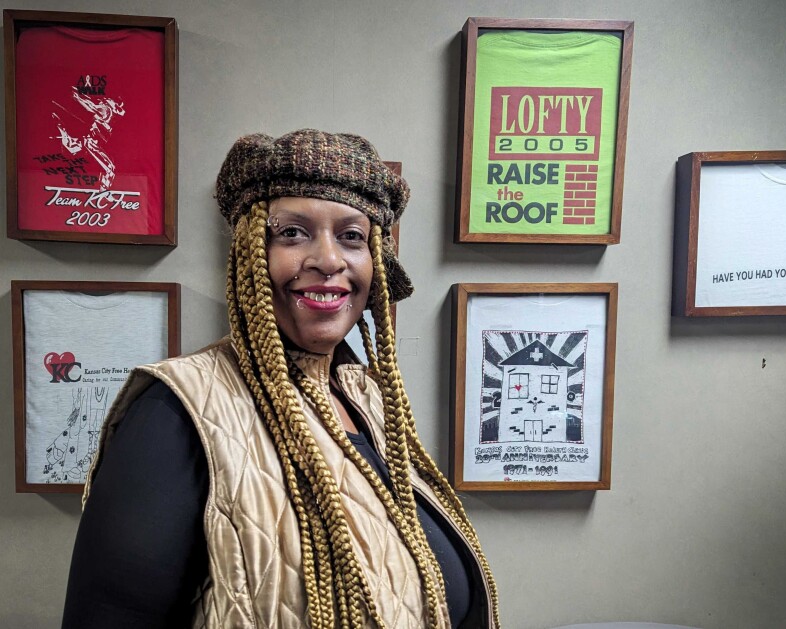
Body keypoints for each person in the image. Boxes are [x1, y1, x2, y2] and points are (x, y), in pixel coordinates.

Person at [61, 129, 500, 628]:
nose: (330, 260)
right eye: (292, 232)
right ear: (250, 252)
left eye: (352, 236)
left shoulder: (368, 397)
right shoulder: (177, 410)